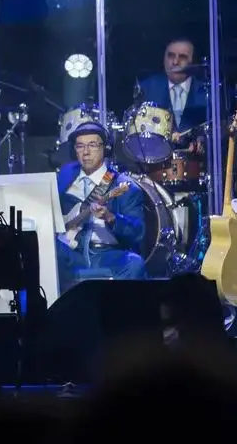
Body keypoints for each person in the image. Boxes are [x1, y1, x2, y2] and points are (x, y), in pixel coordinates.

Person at [56, 122, 146, 287]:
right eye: (80, 146)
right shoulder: (63, 179)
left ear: (106, 148)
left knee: (134, 264)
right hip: (71, 252)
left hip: (107, 254)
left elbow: (137, 232)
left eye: (92, 145)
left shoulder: (124, 186)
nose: (86, 152)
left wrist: (111, 218)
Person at [136, 37, 209, 147]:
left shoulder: (207, 92)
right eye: (170, 56)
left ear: (193, 62)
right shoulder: (147, 87)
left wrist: (203, 140)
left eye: (182, 57)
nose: (175, 62)